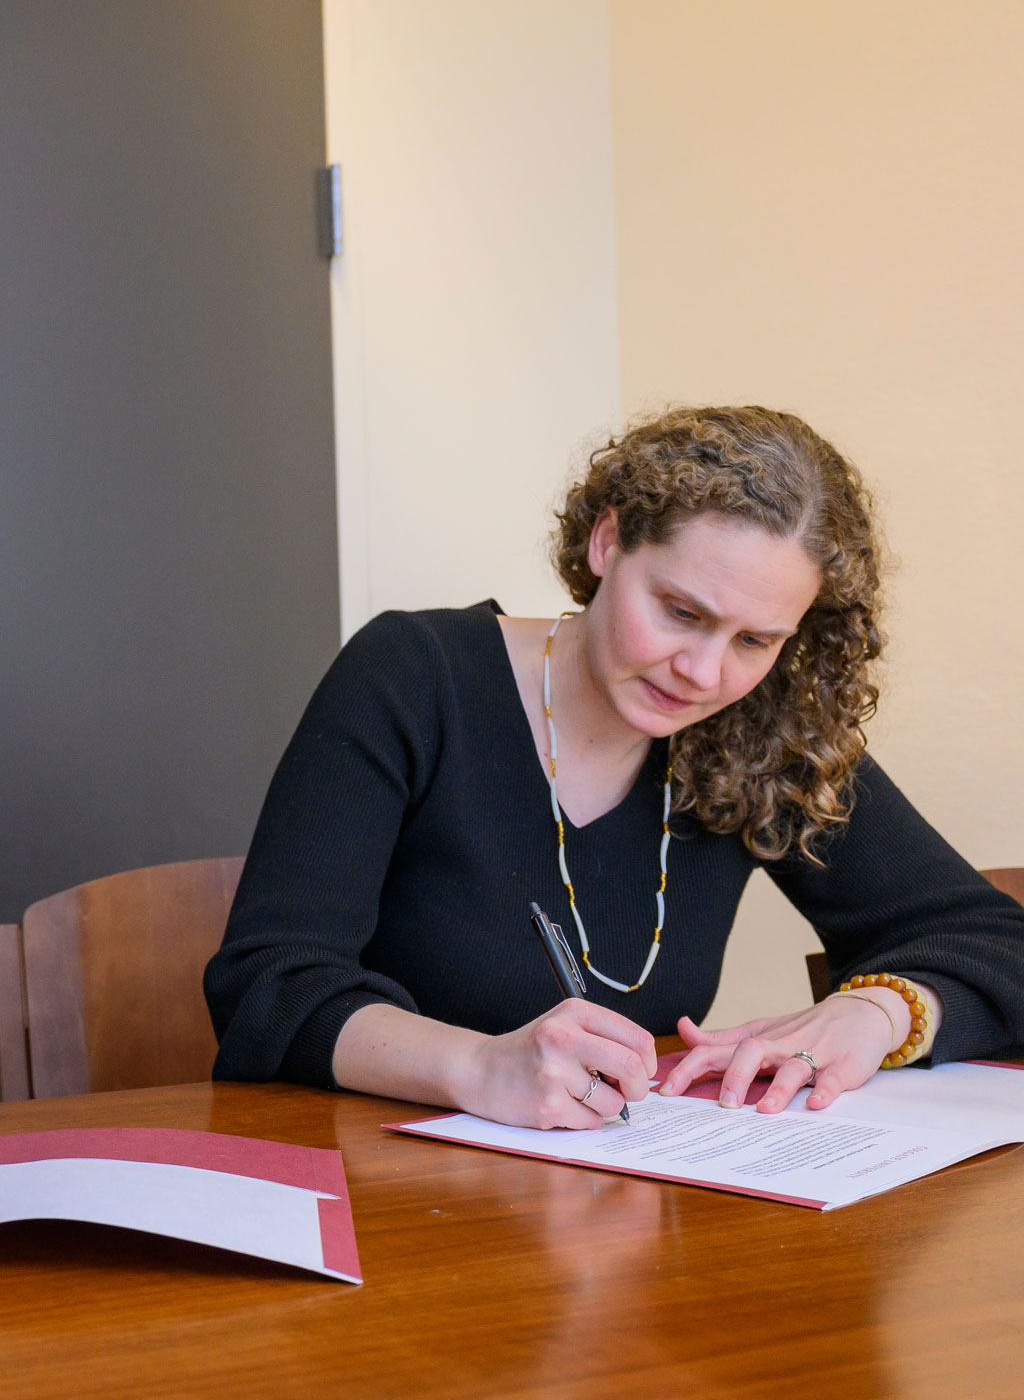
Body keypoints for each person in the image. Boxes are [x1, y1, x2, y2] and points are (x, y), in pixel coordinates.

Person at [206, 406, 1024, 1127]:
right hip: (396, 1212)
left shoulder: (761, 732)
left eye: (754, 640)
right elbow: (269, 982)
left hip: (625, 1221)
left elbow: (995, 940)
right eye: (679, 611)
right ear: (607, 540)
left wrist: (877, 1014)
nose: (703, 673)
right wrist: (478, 1067)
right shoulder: (415, 675)